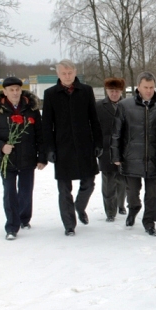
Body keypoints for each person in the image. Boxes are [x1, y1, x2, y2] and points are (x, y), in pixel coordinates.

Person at [42, 59, 103, 236]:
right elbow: (47, 124)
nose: (67, 76)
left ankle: (80, 206)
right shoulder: (51, 94)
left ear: (75, 72)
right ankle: (69, 224)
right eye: (63, 73)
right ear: (58, 74)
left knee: (89, 183)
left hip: (85, 145)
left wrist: (98, 142)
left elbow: (94, 119)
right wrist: (50, 149)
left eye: (70, 73)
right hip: (63, 146)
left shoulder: (86, 91)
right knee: (64, 188)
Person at [110, 71, 156, 237]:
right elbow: (117, 133)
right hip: (131, 157)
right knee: (133, 191)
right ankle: (133, 209)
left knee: (152, 194)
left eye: (151, 87)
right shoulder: (125, 106)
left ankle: (149, 222)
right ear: (138, 87)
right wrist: (116, 155)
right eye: (146, 87)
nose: (149, 90)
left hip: (153, 157)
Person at [0, 77, 47, 240]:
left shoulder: (31, 109)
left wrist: (42, 157)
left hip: (27, 158)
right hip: (7, 160)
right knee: (9, 192)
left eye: (17, 89)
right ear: (4, 92)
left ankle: (24, 218)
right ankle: (12, 226)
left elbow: (40, 134)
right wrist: (1, 146)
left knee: (25, 191)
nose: (15, 92)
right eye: (11, 90)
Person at [96, 77, 127, 222]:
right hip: (106, 149)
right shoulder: (99, 107)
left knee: (122, 180)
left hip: (124, 149)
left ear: (121, 91)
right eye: (111, 91)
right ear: (107, 91)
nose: (114, 94)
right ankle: (110, 211)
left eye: (117, 91)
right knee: (108, 182)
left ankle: (120, 204)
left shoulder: (128, 105)